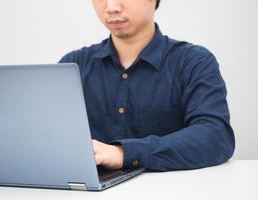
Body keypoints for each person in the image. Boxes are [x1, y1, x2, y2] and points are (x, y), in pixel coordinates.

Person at [59, 0, 235, 171]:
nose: (111, 7)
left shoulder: (193, 62)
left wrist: (124, 153)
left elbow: (216, 136)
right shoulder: (73, 66)